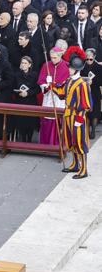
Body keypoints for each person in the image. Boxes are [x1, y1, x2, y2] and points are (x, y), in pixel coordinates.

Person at [52, 46, 93, 178]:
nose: (68, 69)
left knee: (80, 143)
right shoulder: (69, 80)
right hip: (68, 115)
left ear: (76, 69)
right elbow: (62, 93)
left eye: (70, 68)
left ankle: (84, 169)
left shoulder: (83, 84)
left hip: (77, 117)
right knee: (71, 141)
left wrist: (79, 119)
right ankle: (75, 164)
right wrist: (52, 85)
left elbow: (87, 105)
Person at [38, 43, 69, 145]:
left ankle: (57, 144)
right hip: (48, 98)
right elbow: (41, 81)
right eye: (51, 58)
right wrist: (45, 85)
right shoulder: (46, 65)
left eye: (55, 58)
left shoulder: (66, 66)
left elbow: (66, 83)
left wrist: (56, 86)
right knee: (47, 119)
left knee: (58, 121)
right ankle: (45, 143)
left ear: (60, 56)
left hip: (59, 99)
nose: (53, 60)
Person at [11, 56, 40, 142]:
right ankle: (23, 139)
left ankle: (29, 140)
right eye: (22, 63)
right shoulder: (16, 75)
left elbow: (38, 89)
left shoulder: (35, 75)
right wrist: (19, 93)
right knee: (21, 122)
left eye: (25, 63)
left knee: (30, 122)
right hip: (20, 101)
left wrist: (28, 93)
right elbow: (12, 88)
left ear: (29, 65)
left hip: (31, 101)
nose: (23, 65)